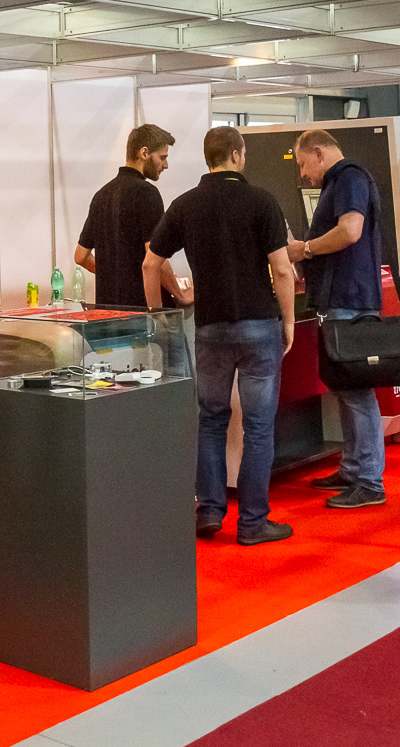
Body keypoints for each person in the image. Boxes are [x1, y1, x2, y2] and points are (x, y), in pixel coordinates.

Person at [145, 126, 298, 546]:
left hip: (209, 328)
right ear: (235, 154)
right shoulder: (262, 201)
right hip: (259, 325)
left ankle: (210, 511)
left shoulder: (185, 205)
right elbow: (282, 269)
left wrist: (158, 316)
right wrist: (287, 320)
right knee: (258, 426)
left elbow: (150, 263)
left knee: (211, 419)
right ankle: (253, 523)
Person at [284, 130, 387, 509]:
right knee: (346, 391)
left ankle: (369, 481)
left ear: (318, 152)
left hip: (350, 300)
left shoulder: (349, 177)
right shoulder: (342, 181)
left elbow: (350, 230)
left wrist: (305, 249)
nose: (303, 174)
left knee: (356, 392)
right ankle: (354, 468)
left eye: (303, 164)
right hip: (342, 298)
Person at [75, 124, 191, 309]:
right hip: (139, 312)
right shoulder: (147, 193)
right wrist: (180, 295)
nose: (166, 165)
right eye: (162, 157)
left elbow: (81, 256)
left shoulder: (101, 195)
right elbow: (154, 259)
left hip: (106, 312)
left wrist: (114, 276)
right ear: (144, 153)